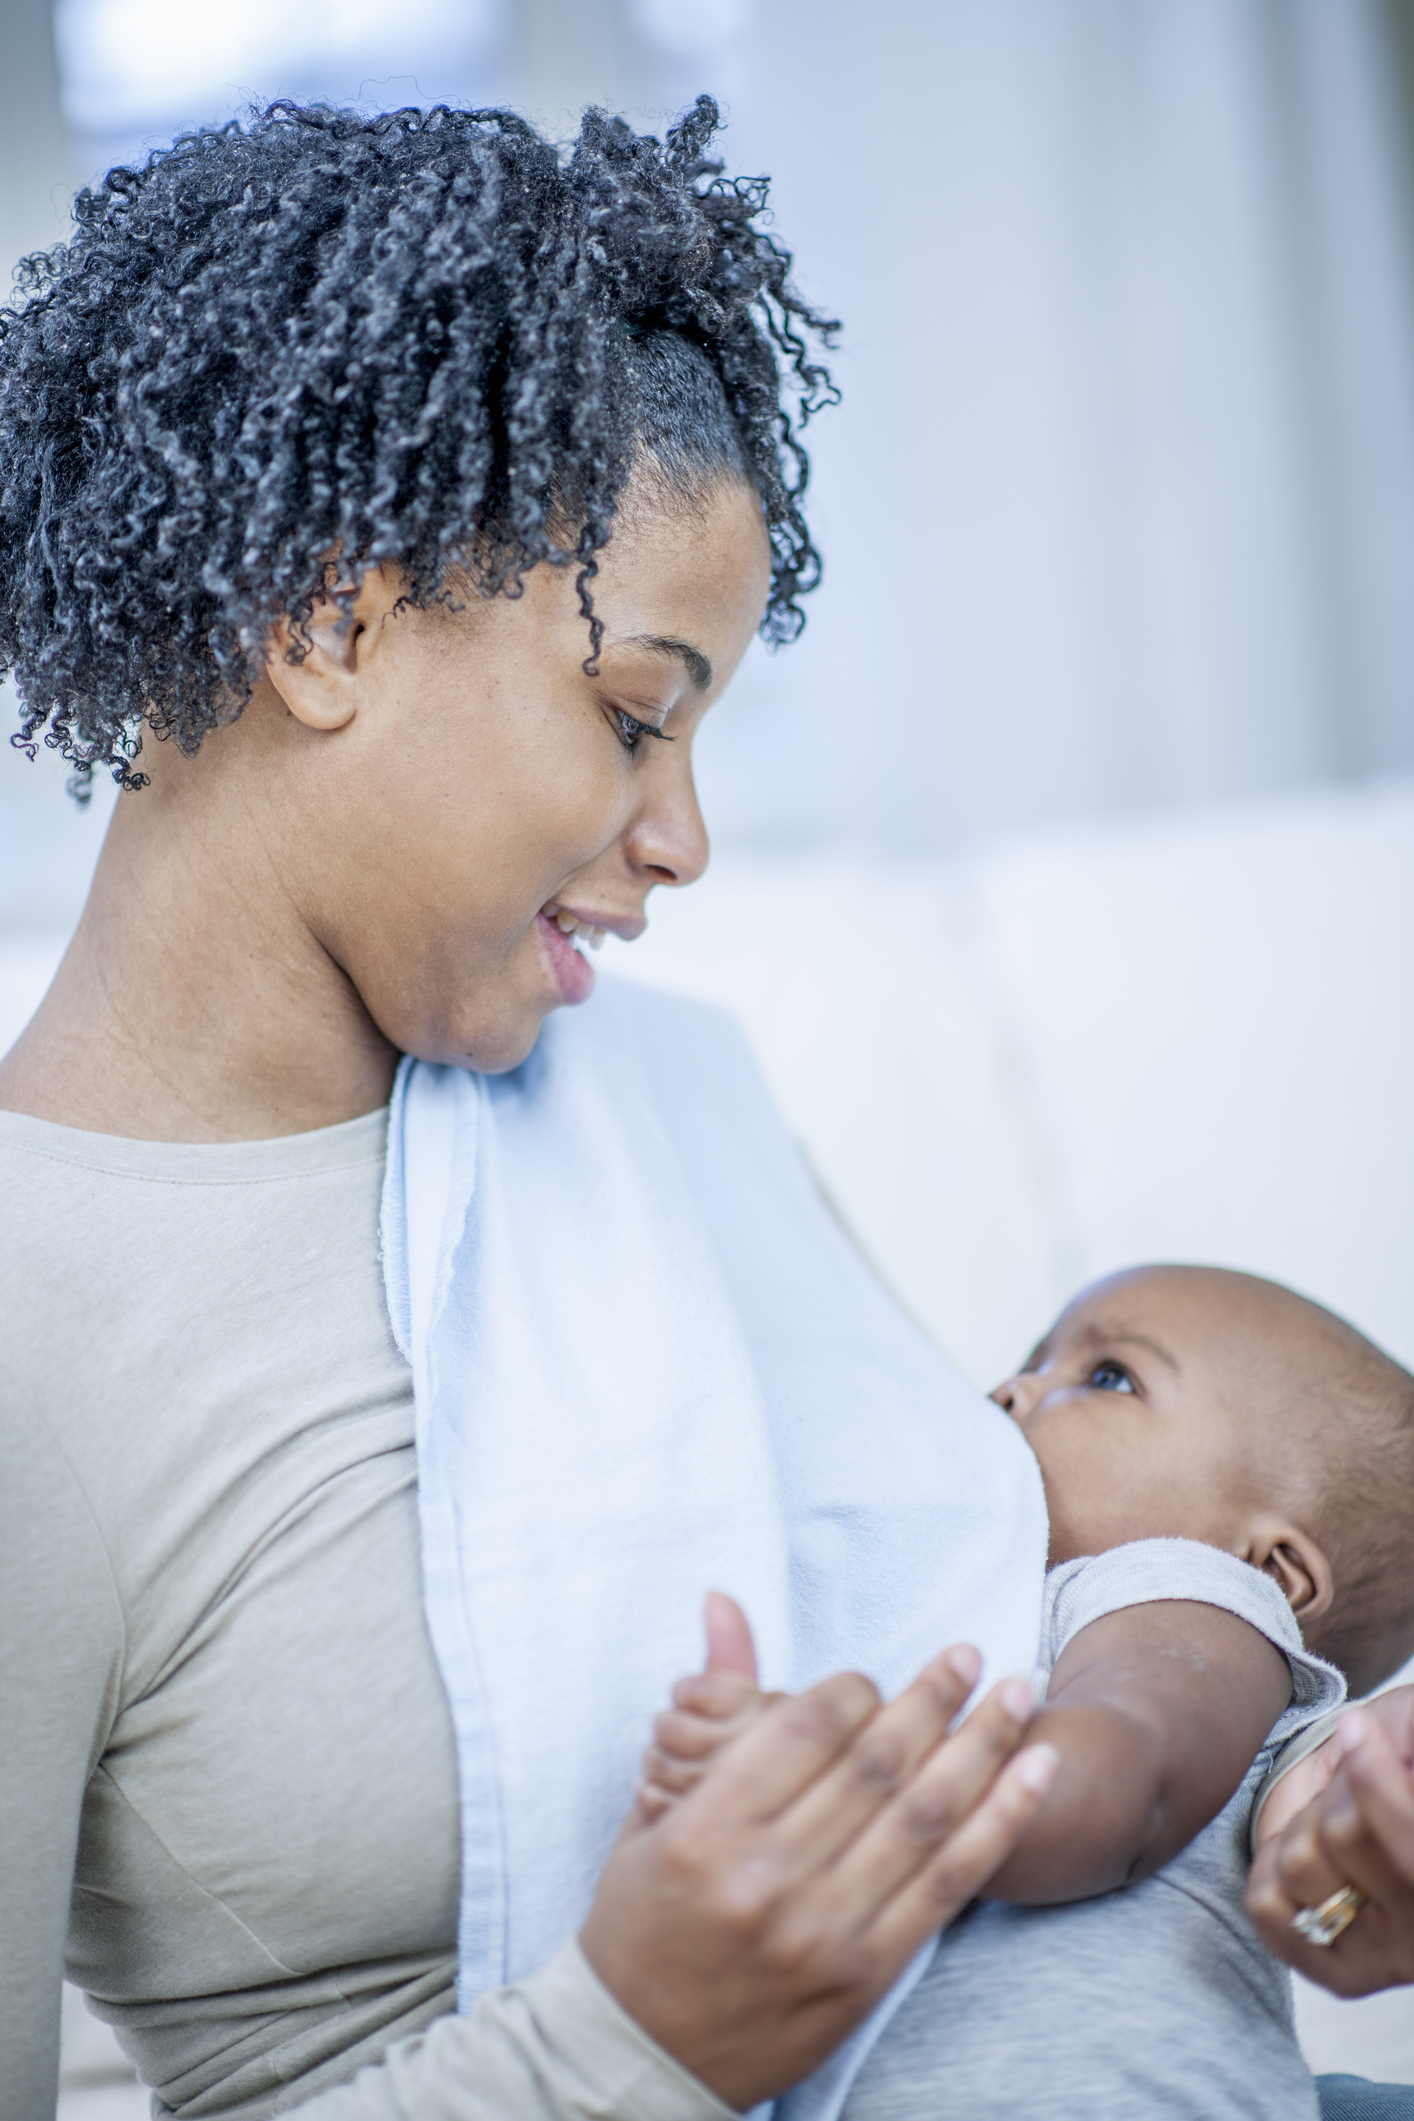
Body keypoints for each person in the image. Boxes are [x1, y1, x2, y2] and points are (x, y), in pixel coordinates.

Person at [0, 97, 1059, 2121]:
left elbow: (976, 1571)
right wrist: (626, 2043)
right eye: (634, 715)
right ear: (331, 624)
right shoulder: (25, 1321)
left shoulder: (658, 1114)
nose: (682, 839)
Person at [640, 1264, 1414, 2119]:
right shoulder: (994, 1607)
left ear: (1269, 1570)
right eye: (1031, 1361)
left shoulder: (1184, 1590)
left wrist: (852, 1783)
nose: (1013, 1389)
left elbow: (1136, 1760)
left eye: (1108, 1376)